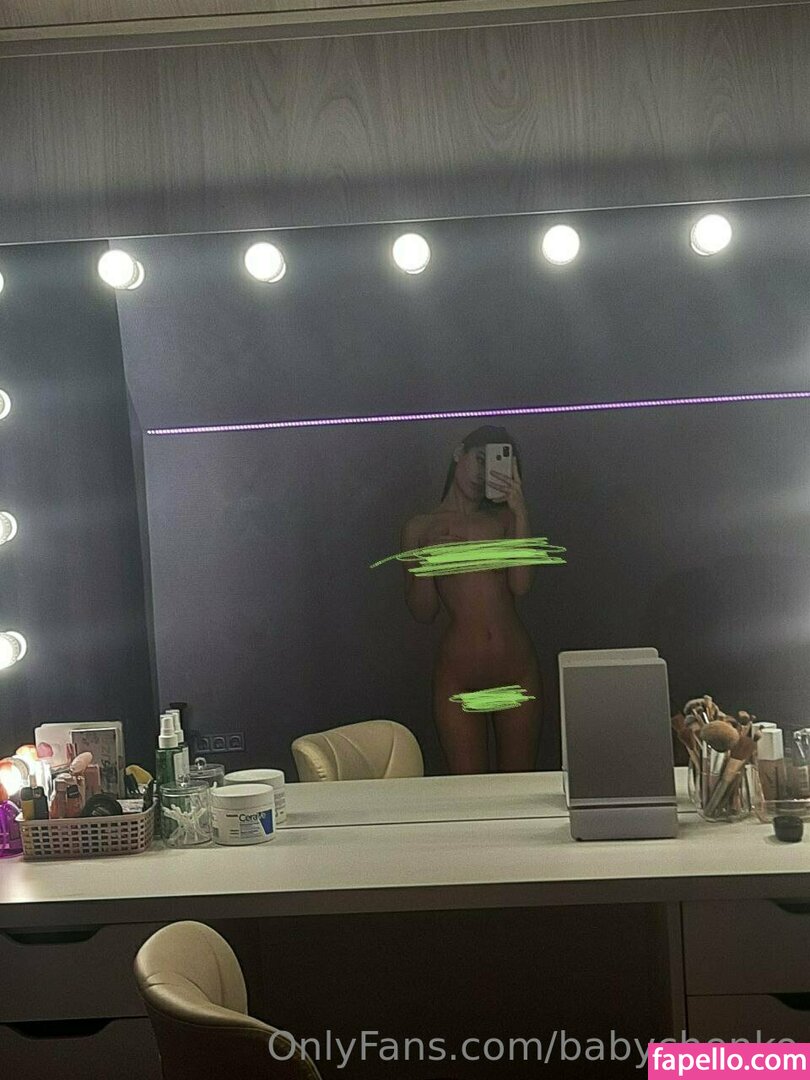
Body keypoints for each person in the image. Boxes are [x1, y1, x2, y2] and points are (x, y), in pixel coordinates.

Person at [401, 425, 542, 774]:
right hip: (459, 677)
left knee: (520, 787)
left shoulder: (504, 519)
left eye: (494, 466)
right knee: (468, 790)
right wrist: (427, 563)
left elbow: (521, 585)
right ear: (458, 453)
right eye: (480, 459)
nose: (483, 473)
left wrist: (520, 510)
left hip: (515, 670)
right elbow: (423, 612)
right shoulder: (420, 528)